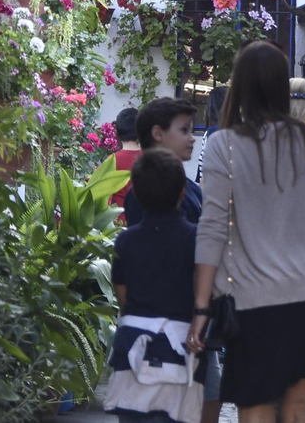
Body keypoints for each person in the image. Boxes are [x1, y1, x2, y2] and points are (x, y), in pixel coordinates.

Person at [189, 41, 305, 423]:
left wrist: (202, 306)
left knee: (255, 405)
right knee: (300, 408)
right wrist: (297, 224)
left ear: (239, 86)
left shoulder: (224, 145)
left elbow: (212, 228)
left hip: (257, 302)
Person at [105, 148, 205, 423]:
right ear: (183, 193)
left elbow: (123, 298)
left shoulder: (125, 241)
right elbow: (201, 290)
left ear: (135, 195)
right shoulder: (195, 238)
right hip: (180, 350)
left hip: (133, 349)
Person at [126, 98, 204, 224]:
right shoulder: (142, 194)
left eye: (191, 131)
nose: (192, 138)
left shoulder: (193, 190)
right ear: (158, 133)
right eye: (184, 130)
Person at [112, 107, 143, 213]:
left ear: (117, 132)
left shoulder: (111, 162)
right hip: (146, 222)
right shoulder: (153, 159)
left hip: (117, 224)